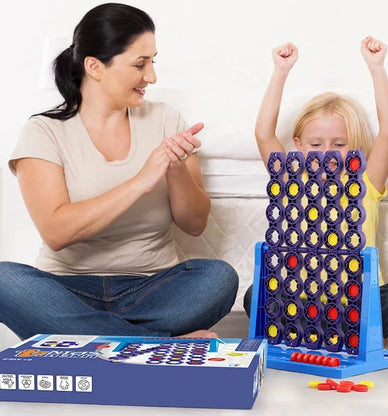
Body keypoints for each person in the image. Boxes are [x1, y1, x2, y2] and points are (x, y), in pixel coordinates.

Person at [0, 3, 238, 341]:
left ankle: (83, 339)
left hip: (153, 286)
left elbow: (195, 225)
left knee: (219, 277)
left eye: (152, 62)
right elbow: (57, 231)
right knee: (4, 280)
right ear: (95, 67)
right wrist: (140, 181)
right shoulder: (43, 131)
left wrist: (174, 168)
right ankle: (157, 344)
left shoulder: (167, 120)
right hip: (66, 288)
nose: (152, 77)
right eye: (140, 64)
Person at [244, 37, 388, 339]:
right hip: (302, 302)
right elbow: (263, 133)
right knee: (254, 295)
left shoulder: (364, 183)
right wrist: (280, 72)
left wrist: (377, 69)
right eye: (315, 144)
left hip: (356, 304)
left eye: (339, 144)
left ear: (355, 146)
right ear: (298, 146)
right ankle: (317, 334)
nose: (327, 154)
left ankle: (339, 335)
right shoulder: (292, 184)